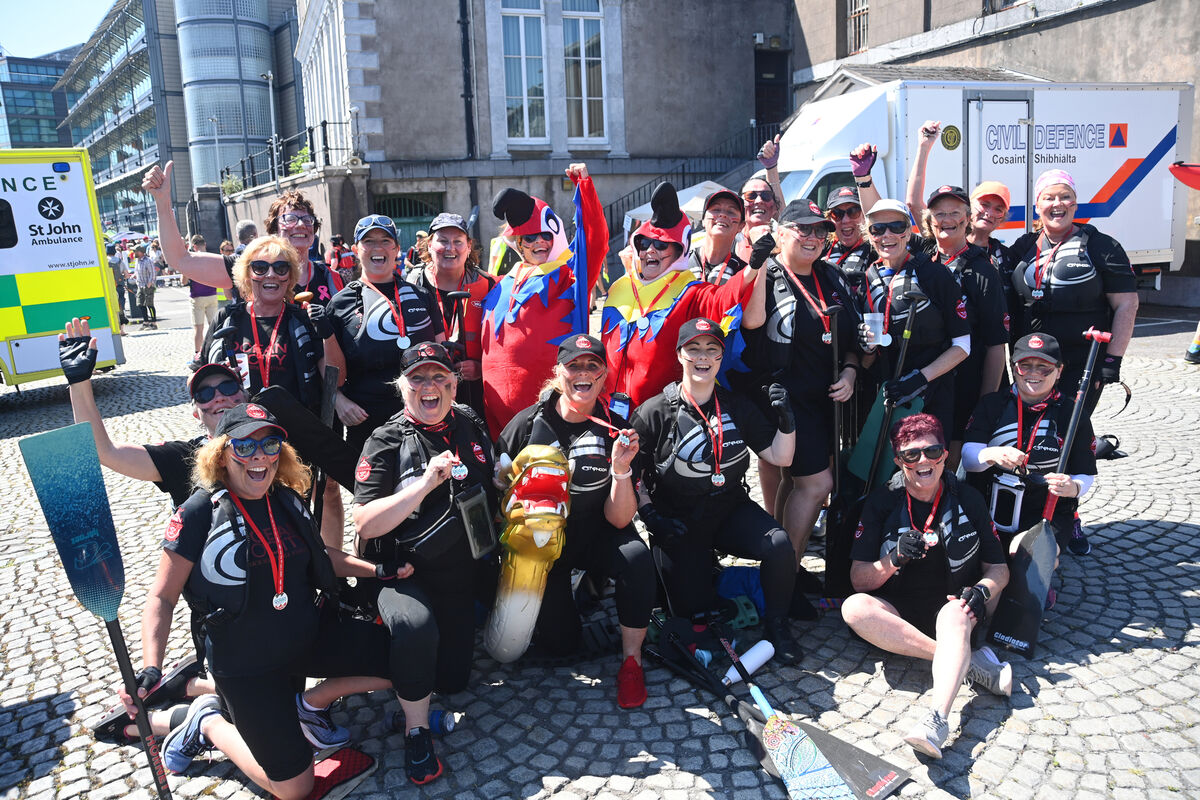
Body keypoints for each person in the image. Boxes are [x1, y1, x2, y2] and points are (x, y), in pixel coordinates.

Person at [123, 403, 424, 795]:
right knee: (296, 789)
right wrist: (150, 668)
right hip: (246, 664)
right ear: (221, 453)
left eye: (270, 444)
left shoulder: (288, 499)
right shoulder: (199, 512)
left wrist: (376, 570)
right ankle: (209, 723)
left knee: (408, 662)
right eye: (244, 446)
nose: (258, 455)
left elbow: (322, 557)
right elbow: (162, 597)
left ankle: (307, 705)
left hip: (306, 639)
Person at [352, 342, 496, 770]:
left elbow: (489, 483)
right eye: (417, 378)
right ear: (403, 387)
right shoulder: (385, 439)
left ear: (454, 383)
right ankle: (417, 730)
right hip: (403, 570)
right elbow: (364, 523)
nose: (429, 387)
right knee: (416, 629)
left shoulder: (468, 420)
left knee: (453, 680)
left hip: (458, 570)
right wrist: (424, 484)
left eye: (439, 377)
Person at [841, 413, 1011, 760]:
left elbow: (999, 569)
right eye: (911, 455)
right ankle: (964, 661)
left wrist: (982, 591)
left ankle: (937, 721)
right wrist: (893, 559)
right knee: (853, 608)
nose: (923, 462)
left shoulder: (968, 498)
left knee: (953, 614)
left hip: (953, 607)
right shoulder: (881, 502)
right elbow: (859, 579)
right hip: (899, 612)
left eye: (932, 451)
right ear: (898, 460)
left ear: (945, 455)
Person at [497, 335, 652, 708]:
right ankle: (578, 594)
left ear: (603, 376)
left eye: (592, 366)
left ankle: (632, 661)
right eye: (574, 366)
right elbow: (497, 493)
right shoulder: (526, 425)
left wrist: (620, 470)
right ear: (559, 372)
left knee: (636, 557)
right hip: (543, 548)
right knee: (561, 643)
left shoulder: (616, 426)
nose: (583, 373)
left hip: (598, 530)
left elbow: (619, 519)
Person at [631, 319, 801, 659]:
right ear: (680, 354)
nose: (702, 357)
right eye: (693, 348)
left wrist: (786, 421)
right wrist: (651, 516)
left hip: (728, 509)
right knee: (693, 616)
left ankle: (777, 626)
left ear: (721, 357)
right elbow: (631, 475)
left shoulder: (736, 404)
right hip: (677, 520)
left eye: (712, 349)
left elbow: (780, 456)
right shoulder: (653, 412)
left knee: (779, 544)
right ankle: (699, 577)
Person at [742, 200, 862, 614]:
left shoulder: (833, 277)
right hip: (782, 399)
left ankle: (779, 563)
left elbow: (851, 344)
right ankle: (785, 579)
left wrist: (849, 373)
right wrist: (756, 268)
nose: (812, 237)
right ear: (781, 232)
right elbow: (752, 323)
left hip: (825, 401)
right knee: (817, 484)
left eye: (820, 231)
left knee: (798, 485)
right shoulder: (771, 275)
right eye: (802, 229)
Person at [59, 317, 247, 507]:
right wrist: (79, 382)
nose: (219, 397)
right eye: (205, 394)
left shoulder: (273, 445)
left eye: (228, 387)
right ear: (196, 414)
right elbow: (105, 451)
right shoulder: (186, 458)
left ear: (246, 397)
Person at [602, 182, 758, 410]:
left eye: (662, 245)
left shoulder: (689, 289)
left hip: (660, 417)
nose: (650, 250)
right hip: (608, 411)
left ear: (679, 249)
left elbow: (722, 298)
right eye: (644, 243)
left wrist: (754, 267)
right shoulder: (620, 286)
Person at [481, 163, 608, 435]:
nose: (539, 242)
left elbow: (595, 241)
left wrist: (584, 187)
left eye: (545, 235)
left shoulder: (570, 278)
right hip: (496, 422)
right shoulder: (499, 284)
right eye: (529, 237)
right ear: (518, 243)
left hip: (550, 418)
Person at [1007, 169, 1139, 414]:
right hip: (1031, 363)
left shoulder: (1102, 246)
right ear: (1037, 206)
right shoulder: (1022, 247)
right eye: (1049, 197)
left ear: (1075, 204)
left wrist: (1112, 361)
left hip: (1081, 362)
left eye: (1065, 196)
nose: (1057, 203)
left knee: (1069, 432)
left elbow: (1127, 305)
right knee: (1030, 430)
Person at [963, 333, 1097, 560]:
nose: (1034, 374)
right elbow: (968, 459)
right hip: (987, 507)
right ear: (1014, 368)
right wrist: (991, 454)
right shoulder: (992, 404)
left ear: (1059, 371)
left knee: (1026, 553)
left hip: (1046, 510)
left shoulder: (1072, 413)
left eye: (1044, 368)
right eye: (1026, 366)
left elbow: (1085, 472)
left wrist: (1073, 487)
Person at [326, 215, 446, 453]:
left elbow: (442, 357)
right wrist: (339, 401)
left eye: (385, 241)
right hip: (368, 423)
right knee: (373, 491)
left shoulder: (422, 295)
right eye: (368, 241)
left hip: (424, 416)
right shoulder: (339, 304)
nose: (377, 248)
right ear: (355, 249)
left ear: (397, 249)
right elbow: (331, 372)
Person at [856, 198, 971, 439]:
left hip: (931, 393)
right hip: (884, 393)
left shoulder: (935, 275)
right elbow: (866, 360)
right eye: (878, 229)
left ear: (909, 232)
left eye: (897, 227)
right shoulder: (868, 277)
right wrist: (866, 348)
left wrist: (920, 378)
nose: (887, 235)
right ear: (869, 234)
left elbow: (962, 346)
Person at [407, 212, 496, 419]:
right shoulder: (411, 284)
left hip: (475, 391)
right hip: (426, 390)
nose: (450, 248)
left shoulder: (490, 286)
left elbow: (503, 343)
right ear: (429, 244)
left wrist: (482, 368)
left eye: (458, 241)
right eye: (442, 241)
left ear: (469, 245)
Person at [263, 191, 344, 306]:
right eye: (290, 219)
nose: (301, 224)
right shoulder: (264, 278)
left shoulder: (332, 277)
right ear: (275, 229)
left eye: (307, 220)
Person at [688, 190, 747, 285]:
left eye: (731, 211)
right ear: (703, 220)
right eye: (716, 209)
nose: (723, 214)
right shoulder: (682, 263)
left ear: (741, 226)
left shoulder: (743, 273)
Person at [184, 234, 221, 363]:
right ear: (204, 244)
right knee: (214, 326)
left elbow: (183, 281)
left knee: (198, 329)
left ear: (194, 246)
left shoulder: (191, 259)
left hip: (197, 296)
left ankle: (197, 355)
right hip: (211, 294)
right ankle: (215, 351)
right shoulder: (213, 258)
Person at [132, 244, 158, 329]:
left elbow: (153, 273)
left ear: (141, 252)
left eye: (135, 251)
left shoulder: (148, 260)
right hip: (140, 285)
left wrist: (150, 283)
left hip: (148, 286)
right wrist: (133, 275)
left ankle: (153, 323)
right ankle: (146, 321)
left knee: (150, 304)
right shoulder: (137, 261)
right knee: (140, 304)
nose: (134, 253)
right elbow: (137, 271)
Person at [107, 244, 129, 325]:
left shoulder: (104, 261)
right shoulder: (119, 261)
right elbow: (127, 275)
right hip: (119, 286)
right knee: (121, 307)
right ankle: (122, 330)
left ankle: (114, 327)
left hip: (108, 288)